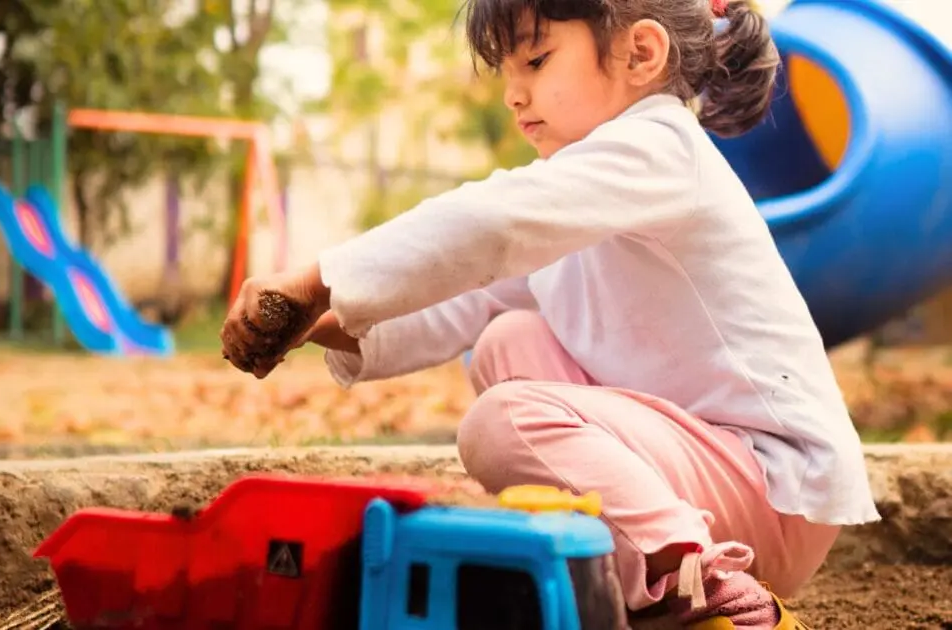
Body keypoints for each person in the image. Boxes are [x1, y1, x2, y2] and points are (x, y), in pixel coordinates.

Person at [220, 0, 881, 626]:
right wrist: (312, 320)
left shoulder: (658, 147)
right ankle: (635, 574)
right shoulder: (585, 192)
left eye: (535, 62)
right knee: (509, 339)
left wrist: (318, 279)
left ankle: (703, 586)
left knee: (501, 422)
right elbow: (463, 301)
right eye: (508, 72)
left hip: (770, 481)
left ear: (639, 54)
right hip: (695, 468)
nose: (512, 94)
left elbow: (489, 222)